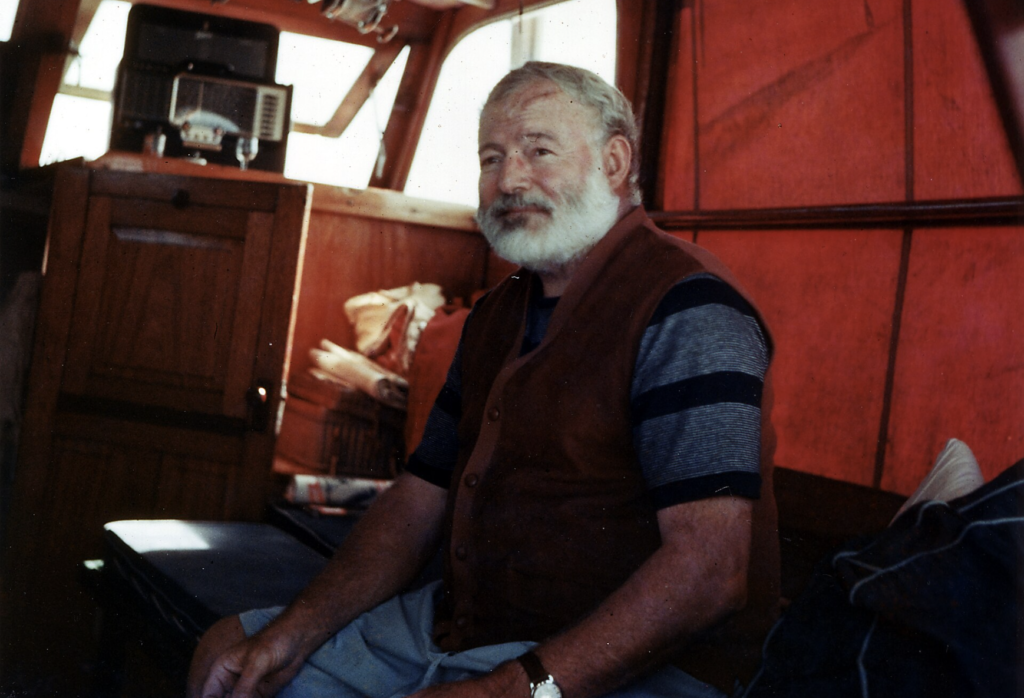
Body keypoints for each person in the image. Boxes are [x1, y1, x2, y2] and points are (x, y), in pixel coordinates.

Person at [189, 62, 778, 698]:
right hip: (463, 631)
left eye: (538, 150)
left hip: (619, 665)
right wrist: (295, 632)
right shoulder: (497, 314)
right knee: (229, 655)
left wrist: (514, 689)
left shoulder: (688, 310)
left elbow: (710, 572)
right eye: (491, 157)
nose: (509, 180)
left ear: (614, 164)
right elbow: (420, 496)